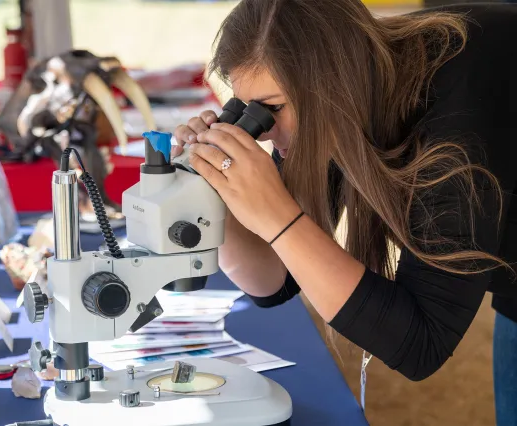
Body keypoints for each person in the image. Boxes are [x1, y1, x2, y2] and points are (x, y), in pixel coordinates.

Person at [173, 1, 517, 424]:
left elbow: (420, 344)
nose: (264, 130)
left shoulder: (456, 113)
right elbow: (274, 281)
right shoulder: (336, 101)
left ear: (333, 82)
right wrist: (213, 195)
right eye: (247, 110)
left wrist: (278, 219)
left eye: (272, 108)